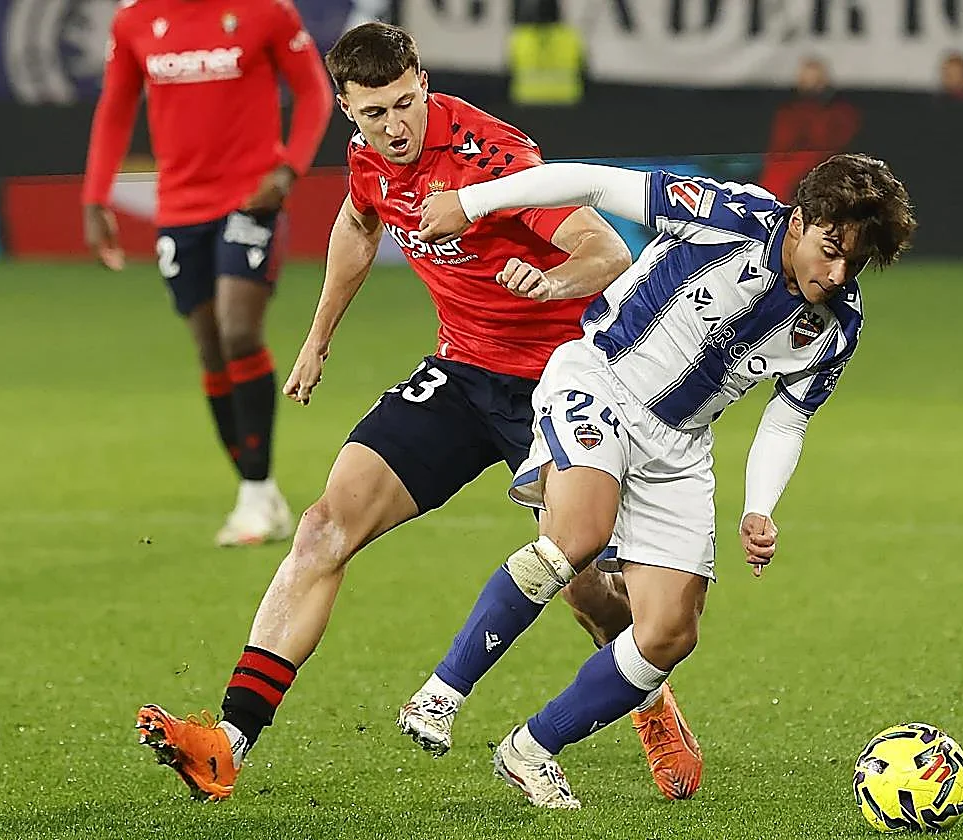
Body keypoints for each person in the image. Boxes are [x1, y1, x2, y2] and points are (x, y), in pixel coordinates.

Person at [133, 22, 705, 803]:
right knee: (324, 526)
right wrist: (317, 338)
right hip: (463, 372)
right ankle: (226, 742)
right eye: (373, 114)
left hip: (561, 384)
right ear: (347, 110)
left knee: (583, 587)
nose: (394, 127)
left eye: (405, 105)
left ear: (425, 83)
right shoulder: (370, 156)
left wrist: (553, 282)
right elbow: (358, 222)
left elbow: (605, 250)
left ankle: (646, 697)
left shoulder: (491, 159)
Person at [400, 153, 916, 808]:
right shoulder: (726, 217)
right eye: (832, 249)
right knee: (578, 535)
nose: (838, 273)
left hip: (679, 448)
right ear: (800, 219)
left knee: (671, 632)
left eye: (856, 262)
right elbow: (591, 181)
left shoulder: (837, 327)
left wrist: (760, 507)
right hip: (602, 381)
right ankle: (440, 695)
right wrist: (473, 204)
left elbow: (787, 421)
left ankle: (529, 749)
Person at [82, 0, 334, 546]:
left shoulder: (266, 11)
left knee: (239, 331)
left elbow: (315, 91)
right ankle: (258, 492)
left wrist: (289, 170)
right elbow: (116, 107)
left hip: (251, 198)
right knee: (210, 347)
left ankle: (255, 489)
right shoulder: (134, 20)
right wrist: (95, 194)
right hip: (178, 208)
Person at [759, 56, 860, 203]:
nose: (810, 84)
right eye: (805, 79)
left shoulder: (841, 111)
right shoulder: (788, 111)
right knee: (777, 173)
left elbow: (835, 141)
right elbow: (781, 144)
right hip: (790, 162)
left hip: (826, 161)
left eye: (815, 79)